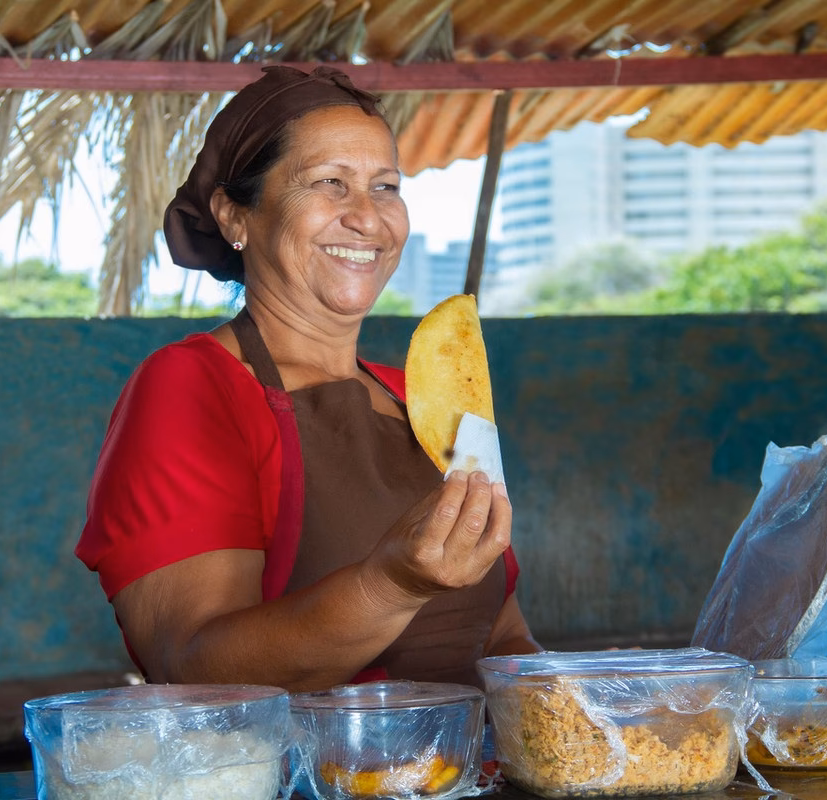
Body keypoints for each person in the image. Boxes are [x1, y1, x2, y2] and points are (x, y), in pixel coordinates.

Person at [75, 65, 539, 692]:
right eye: (329, 183)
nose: (368, 218)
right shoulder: (191, 387)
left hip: (466, 782)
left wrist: (577, 714)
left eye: (385, 186)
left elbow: (501, 634)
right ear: (236, 217)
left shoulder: (418, 394)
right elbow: (192, 665)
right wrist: (392, 584)